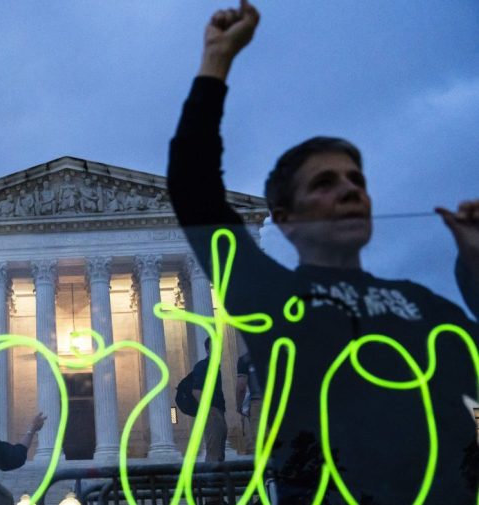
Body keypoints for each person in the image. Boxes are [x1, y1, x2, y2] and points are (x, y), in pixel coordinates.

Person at [167, 1, 479, 502]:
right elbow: (194, 191)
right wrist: (215, 64)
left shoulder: (420, 302)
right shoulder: (271, 297)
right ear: (285, 218)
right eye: (326, 183)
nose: (351, 190)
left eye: (357, 180)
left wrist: (475, 266)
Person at [192, 338, 227, 462]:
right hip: (212, 411)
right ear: (207, 350)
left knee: (220, 449)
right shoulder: (203, 366)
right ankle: (211, 479)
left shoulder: (214, 367)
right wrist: (209, 411)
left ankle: (217, 479)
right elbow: (196, 391)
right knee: (214, 450)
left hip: (218, 410)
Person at [235, 351, 263, 455]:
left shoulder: (246, 359)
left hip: (258, 403)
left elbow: (241, 386)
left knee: (260, 443)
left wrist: (239, 406)